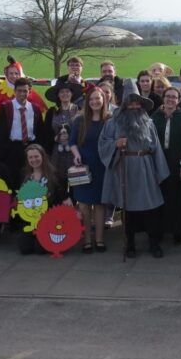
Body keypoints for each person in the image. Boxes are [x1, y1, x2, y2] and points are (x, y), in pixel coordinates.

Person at [98, 79, 170, 258]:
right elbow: (103, 144)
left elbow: (156, 148)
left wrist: (159, 171)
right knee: (128, 210)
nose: (134, 106)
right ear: (124, 104)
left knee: (151, 209)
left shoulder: (148, 122)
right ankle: (130, 244)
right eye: (130, 103)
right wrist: (116, 144)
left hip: (145, 169)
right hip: (125, 169)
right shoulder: (112, 123)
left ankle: (154, 243)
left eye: (137, 102)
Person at [151, 87, 181, 245]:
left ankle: (178, 231)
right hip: (159, 163)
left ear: (178, 100)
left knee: (177, 199)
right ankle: (159, 231)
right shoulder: (155, 118)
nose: (170, 99)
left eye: (174, 97)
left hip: (177, 165)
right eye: (167, 96)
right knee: (160, 198)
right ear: (163, 98)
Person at [70, 88, 110, 253]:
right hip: (84, 166)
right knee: (84, 204)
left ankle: (99, 239)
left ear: (103, 100)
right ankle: (86, 239)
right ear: (88, 102)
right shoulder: (79, 120)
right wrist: (76, 154)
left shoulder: (109, 119)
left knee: (100, 204)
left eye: (97, 99)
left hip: (102, 166)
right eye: (92, 99)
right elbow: (72, 143)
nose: (95, 102)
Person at [15, 144, 71, 255]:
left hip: (49, 218)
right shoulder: (24, 174)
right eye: (31, 157)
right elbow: (19, 196)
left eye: (36, 156)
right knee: (25, 249)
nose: (34, 160)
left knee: (40, 249)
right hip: (30, 218)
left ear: (43, 156)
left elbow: (64, 197)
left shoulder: (54, 175)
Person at [0, 77, 51, 177]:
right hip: (13, 148)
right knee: (13, 177)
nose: (22, 94)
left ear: (29, 91)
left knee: (30, 177)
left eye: (25, 91)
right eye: (19, 91)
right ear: (14, 91)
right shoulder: (6, 107)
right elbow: (0, 132)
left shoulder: (35, 109)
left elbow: (40, 131)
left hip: (31, 147)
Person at [44, 82, 84, 177]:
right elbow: (45, 132)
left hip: (74, 151)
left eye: (67, 91)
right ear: (58, 95)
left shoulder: (79, 111)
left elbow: (83, 131)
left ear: (72, 94)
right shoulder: (52, 111)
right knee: (57, 178)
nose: (64, 94)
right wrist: (55, 138)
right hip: (56, 152)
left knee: (74, 179)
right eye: (61, 92)